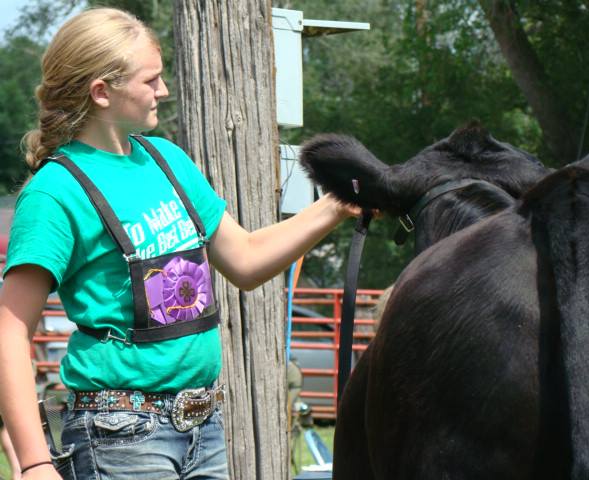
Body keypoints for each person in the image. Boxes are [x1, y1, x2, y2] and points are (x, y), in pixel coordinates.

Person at [0, 7, 360, 480]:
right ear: (102, 92)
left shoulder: (166, 159)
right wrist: (33, 463)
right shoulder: (55, 193)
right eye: (150, 81)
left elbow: (246, 259)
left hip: (204, 425)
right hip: (119, 434)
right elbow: (9, 331)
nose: (163, 91)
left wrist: (336, 206)